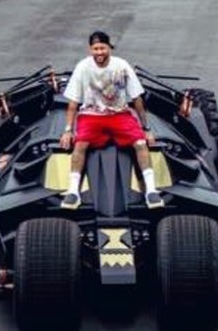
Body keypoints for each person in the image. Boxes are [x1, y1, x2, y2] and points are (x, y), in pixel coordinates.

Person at [57, 30, 162, 209]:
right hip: (91, 115)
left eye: (102, 48)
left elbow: (136, 98)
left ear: (109, 48)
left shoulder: (121, 66)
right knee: (80, 145)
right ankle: (73, 192)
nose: (99, 52)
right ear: (90, 49)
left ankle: (151, 190)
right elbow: (73, 102)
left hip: (119, 114)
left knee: (140, 143)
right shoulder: (83, 67)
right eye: (95, 49)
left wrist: (146, 129)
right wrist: (68, 130)